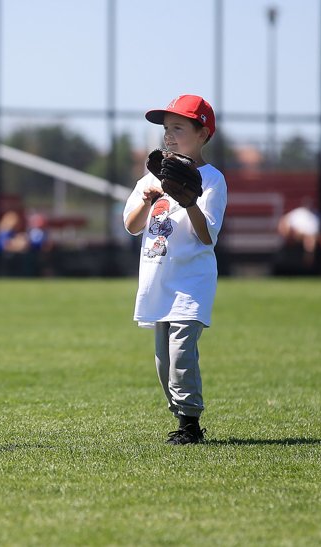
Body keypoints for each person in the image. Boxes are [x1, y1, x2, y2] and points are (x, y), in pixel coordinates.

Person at [122, 94, 227, 445]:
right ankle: (181, 416)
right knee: (163, 363)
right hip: (157, 280)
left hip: (190, 282)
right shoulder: (151, 177)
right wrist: (149, 198)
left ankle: (190, 424)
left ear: (203, 134)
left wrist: (189, 201)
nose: (169, 134)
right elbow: (132, 226)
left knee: (182, 353)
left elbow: (206, 235)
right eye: (167, 128)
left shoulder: (211, 180)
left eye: (179, 127)